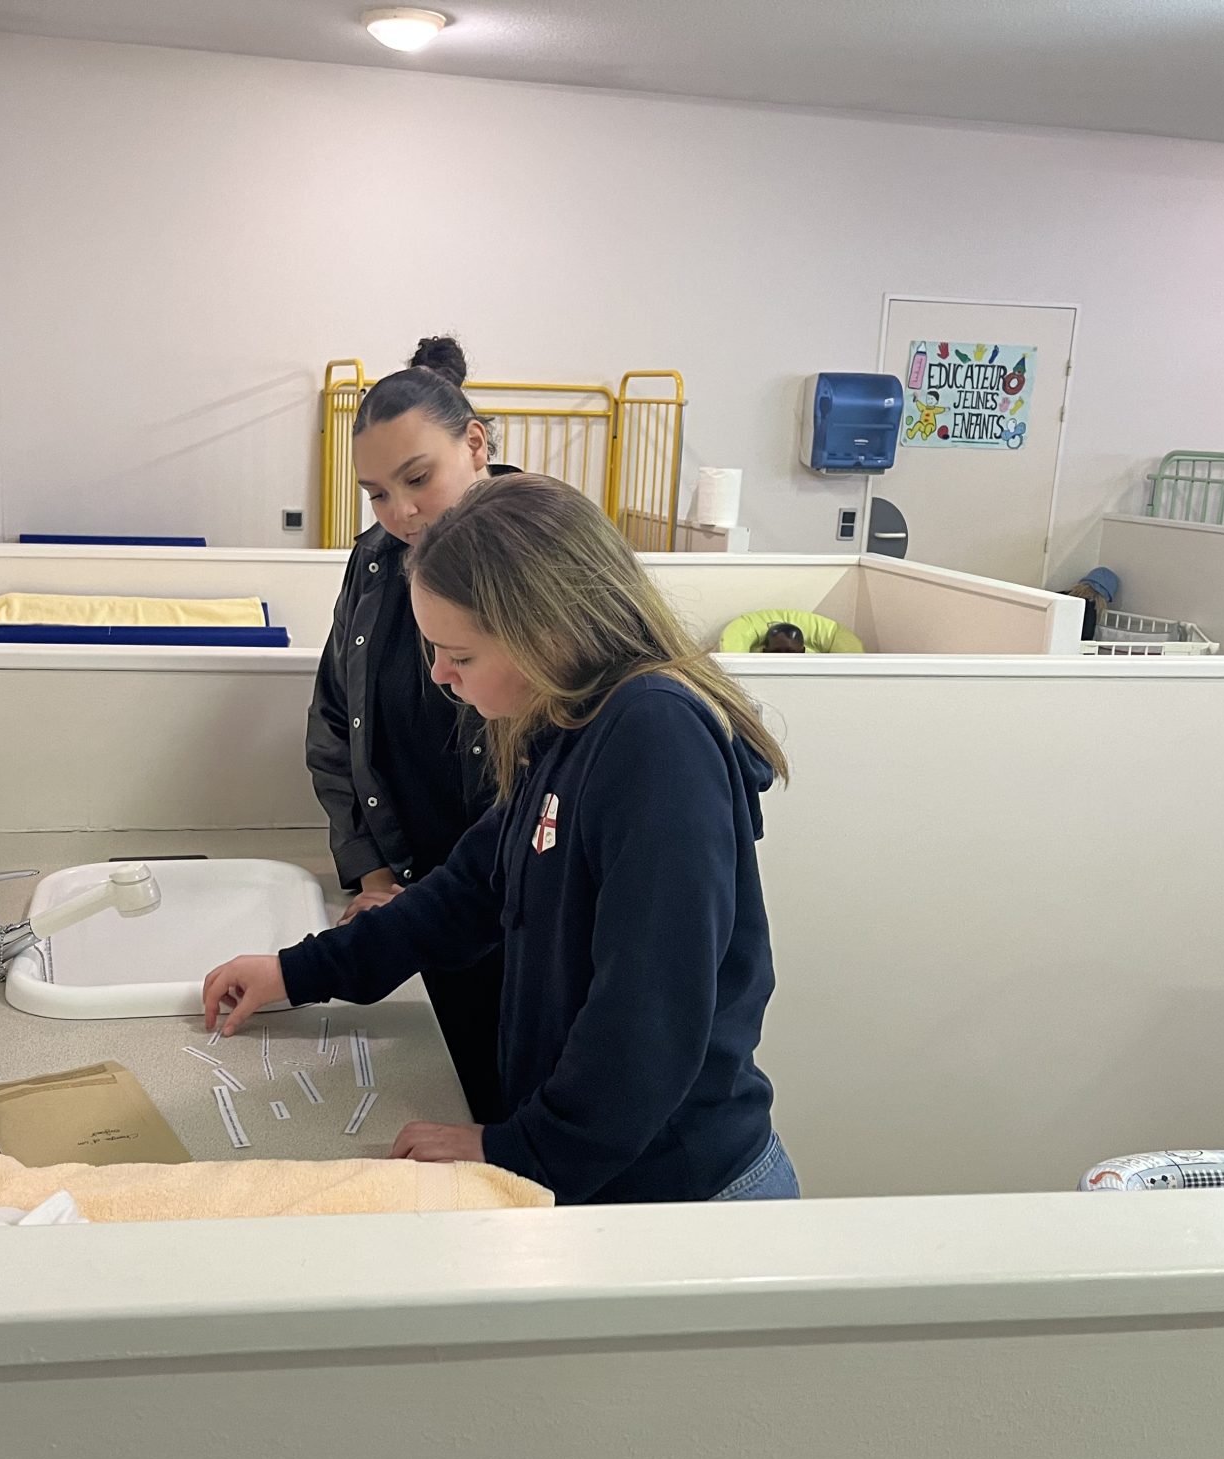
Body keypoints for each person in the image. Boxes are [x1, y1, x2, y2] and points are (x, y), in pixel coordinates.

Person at [209, 474, 798, 1205]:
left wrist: (521, 1150)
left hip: (679, 1194)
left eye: (459, 655)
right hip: (605, 1173)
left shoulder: (655, 738)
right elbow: (465, 894)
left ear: (544, 634)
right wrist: (299, 972)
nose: (440, 675)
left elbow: (648, 1014)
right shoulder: (567, 723)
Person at [306, 336, 514, 1123]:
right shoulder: (375, 563)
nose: (400, 513)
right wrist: (373, 876)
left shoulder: (533, 553)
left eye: (418, 480)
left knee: (504, 1114)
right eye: (376, 494)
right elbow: (336, 719)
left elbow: (548, 787)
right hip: (418, 900)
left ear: (475, 444)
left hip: (504, 914)